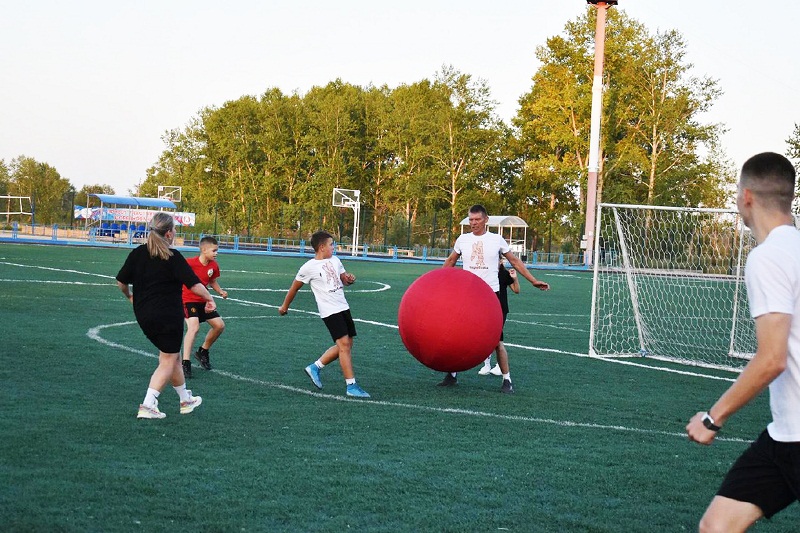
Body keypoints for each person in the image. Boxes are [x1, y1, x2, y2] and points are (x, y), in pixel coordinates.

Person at [686, 152, 800, 530]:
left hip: (797, 436)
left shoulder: (768, 257)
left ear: (746, 196)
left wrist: (712, 418)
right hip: (786, 437)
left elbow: (772, 359)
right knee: (716, 526)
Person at [116, 212, 216, 419]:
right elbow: (195, 285)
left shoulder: (138, 253)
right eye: (175, 230)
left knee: (172, 356)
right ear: (169, 232)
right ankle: (148, 404)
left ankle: (185, 399)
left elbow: (121, 282)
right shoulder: (172, 256)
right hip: (167, 316)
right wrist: (209, 299)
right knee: (168, 359)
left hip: (143, 315)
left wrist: (130, 297)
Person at [440, 204, 550, 393]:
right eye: (471, 220)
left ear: (486, 220)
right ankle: (452, 375)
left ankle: (507, 381)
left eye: (477, 220)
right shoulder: (462, 240)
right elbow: (450, 261)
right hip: (468, 296)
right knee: (458, 335)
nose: (473, 223)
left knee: (496, 341)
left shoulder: (496, 239)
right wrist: (436, 283)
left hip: (491, 296)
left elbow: (514, 261)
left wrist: (532, 281)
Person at [278, 230, 370, 398]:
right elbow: (294, 288)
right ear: (321, 247)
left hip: (343, 307)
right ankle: (351, 386)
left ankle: (315, 367)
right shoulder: (308, 267)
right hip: (330, 311)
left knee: (347, 345)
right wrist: (285, 306)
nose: (333, 247)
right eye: (331, 244)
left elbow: (343, 279)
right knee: (343, 345)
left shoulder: (335, 260)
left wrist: (349, 279)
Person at [181, 236, 228, 378]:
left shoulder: (213, 265)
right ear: (203, 250)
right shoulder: (189, 263)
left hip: (204, 301)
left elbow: (212, 280)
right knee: (194, 328)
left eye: (217, 250)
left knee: (219, 325)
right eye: (214, 250)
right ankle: (185, 362)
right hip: (188, 300)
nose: (216, 253)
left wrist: (220, 291)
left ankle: (203, 351)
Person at [478, 256, 520, 376]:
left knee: (496, 338)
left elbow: (516, 290)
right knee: (485, 336)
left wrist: (515, 278)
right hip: (486, 308)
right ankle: (486, 365)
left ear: (501, 261)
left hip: (501, 309)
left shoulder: (504, 274)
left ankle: (498, 366)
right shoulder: (485, 273)